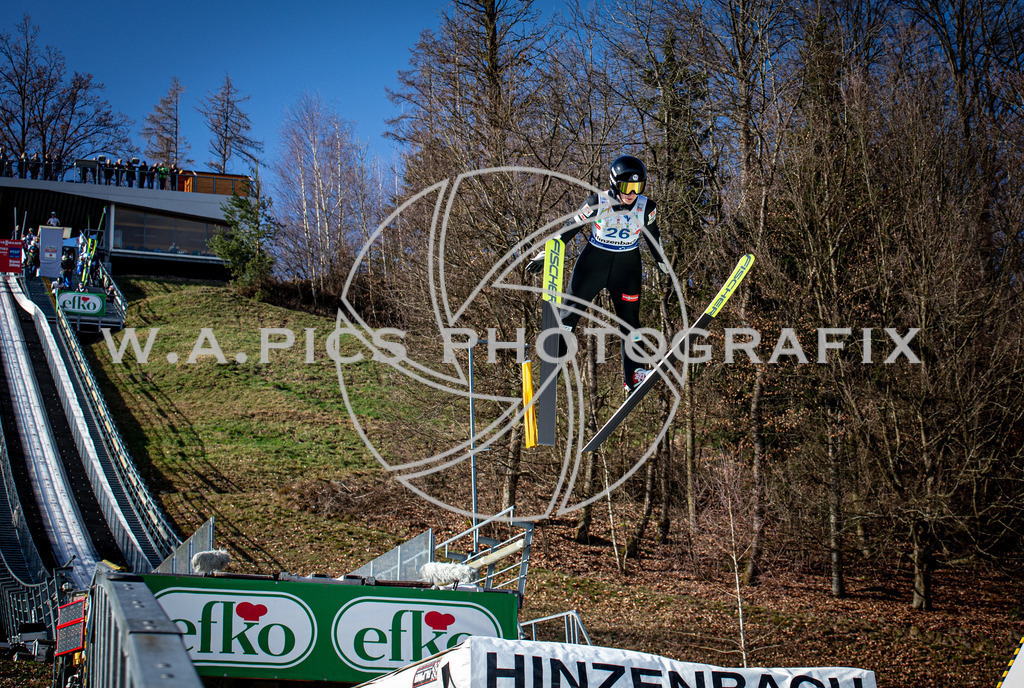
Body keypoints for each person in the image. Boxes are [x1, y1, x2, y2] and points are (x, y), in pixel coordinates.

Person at [527, 155, 670, 392]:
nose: (632, 193)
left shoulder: (647, 207)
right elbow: (570, 228)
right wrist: (547, 253)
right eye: (627, 187)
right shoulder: (597, 202)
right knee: (569, 316)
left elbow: (653, 234)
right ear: (614, 184)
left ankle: (634, 375)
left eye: (637, 187)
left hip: (627, 268)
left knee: (631, 324)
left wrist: (660, 260)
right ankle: (554, 356)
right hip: (594, 263)